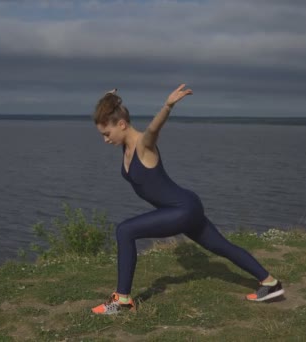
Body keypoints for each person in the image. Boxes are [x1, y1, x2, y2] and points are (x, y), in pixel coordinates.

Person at [90, 84, 284, 315]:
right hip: (186, 207)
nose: (105, 140)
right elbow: (113, 110)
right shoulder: (126, 145)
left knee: (125, 231)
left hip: (182, 209)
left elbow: (153, 129)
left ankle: (122, 300)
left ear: (121, 125)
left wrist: (168, 106)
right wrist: (108, 98)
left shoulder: (143, 145)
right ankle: (270, 283)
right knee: (221, 247)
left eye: (107, 134)